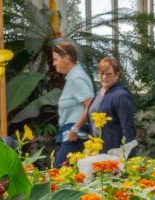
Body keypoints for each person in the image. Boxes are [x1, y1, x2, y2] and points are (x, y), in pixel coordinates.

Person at [52, 40, 94, 168]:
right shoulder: (73, 77)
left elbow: (90, 105)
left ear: (66, 58)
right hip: (72, 137)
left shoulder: (77, 78)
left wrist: (74, 130)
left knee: (58, 173)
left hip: (76, 138)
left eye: (56, 59)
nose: (54, 63)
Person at [90, 56, 138, 154]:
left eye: (108, 74)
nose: (104, 77)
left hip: (114, 152)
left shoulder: (121, 95)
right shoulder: (99, 93)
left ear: (116, 75)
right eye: (101, 73)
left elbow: (128, 127)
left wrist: (128, 156)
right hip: (98, 149)